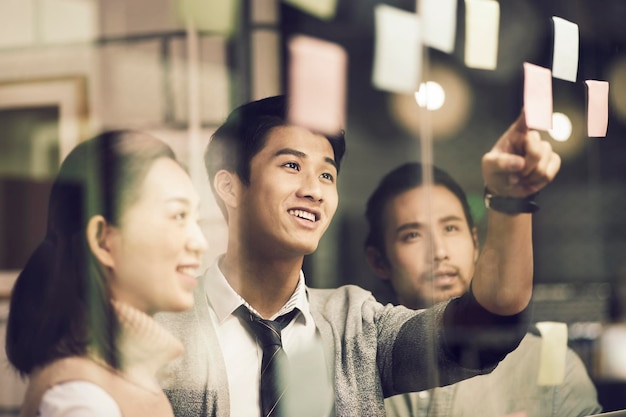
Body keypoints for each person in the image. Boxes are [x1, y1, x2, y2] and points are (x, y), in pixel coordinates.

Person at [157, 95, 561, 417]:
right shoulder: (163, 329)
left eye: (327, 174)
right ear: (230, 187)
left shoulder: (356, 325)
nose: (314, 189)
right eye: (292, 165)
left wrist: (511, 201)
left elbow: (486, 328)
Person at [364, 162, 602, 417]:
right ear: (379, 261)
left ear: (475, 243)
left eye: (451, 228)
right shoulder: (360, 367)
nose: (440, 252)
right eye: (412, 235)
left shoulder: (548, 361)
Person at [5, 130, 208, 417]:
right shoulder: (82, 400)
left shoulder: (124, 375)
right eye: (178, 216)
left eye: (195, 219)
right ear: (103, 240)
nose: (200, 243)